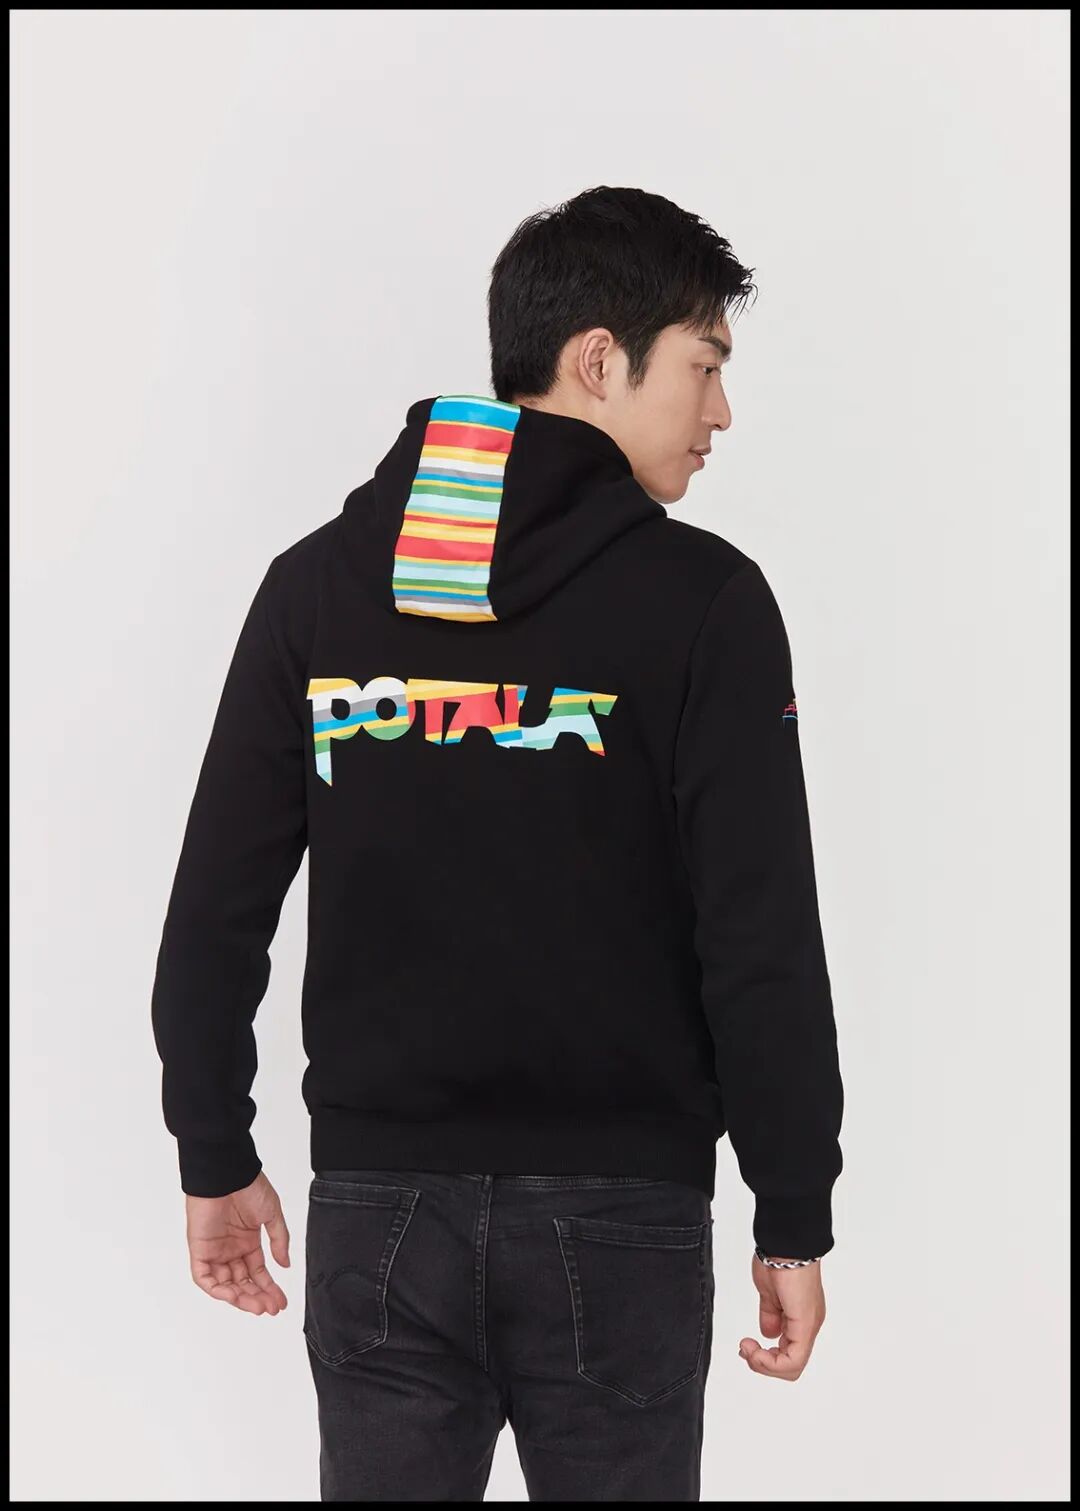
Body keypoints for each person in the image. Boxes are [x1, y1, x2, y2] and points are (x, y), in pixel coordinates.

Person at [151, 184, 844, 1502]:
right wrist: (794, 1214)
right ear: (601, 358)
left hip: (379, 1214)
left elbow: (214, 912)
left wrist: (214, 1152)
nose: (720, 414)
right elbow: (759, 940)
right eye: (704, 367)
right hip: (621, 1216)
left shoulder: (319, 588)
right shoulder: (705, 602)